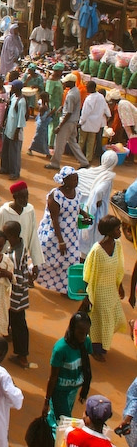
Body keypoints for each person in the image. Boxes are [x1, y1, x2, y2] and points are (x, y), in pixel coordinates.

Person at [83, 215, 126, 362]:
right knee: (101, 321)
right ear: (109, 231)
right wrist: (88, 295)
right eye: (117, 229)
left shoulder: (117, 245)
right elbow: (88, 274)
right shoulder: (97, 250)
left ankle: (100, 344)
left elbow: (119, 267)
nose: (120, 232)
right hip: (99, 292)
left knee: (116, 318)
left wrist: (120, 286)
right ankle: (97, 349)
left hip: (111, 290)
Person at [42, 312, 92, 434]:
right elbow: (53, 377)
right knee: (65, 424)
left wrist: (84, 388)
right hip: (60, 392)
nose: (83, 337)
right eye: (80, 333)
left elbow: (86, 365)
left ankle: (51, 422)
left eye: (86, 333)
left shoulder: (86, 342)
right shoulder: (60, 349)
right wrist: (46, 401)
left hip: (73, 390)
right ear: (72, 329)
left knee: (60, 417)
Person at [37, 167, 86, 294]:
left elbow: (76, 207)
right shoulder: (55, 196)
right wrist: (61, 241)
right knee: (49, 260)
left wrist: (84, 214)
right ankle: (33, 275)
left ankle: (65, 288)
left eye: (77, 179)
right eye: (73, 179)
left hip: (71, 235)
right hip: (55, 235)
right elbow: (54, 220)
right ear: (65, 181)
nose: (76, 182)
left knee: (71, 260)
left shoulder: (77, 192)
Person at [0, 181, 44, 275]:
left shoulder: (30, 211)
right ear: (14, 197)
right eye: (22, 197)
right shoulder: (3, 212)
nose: (25, 200)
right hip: (5, 258)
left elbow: (33, 237)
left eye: (27, 197)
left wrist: (35, 263)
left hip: (22, 258)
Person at [3, 221, 34, 369]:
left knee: (19, 325)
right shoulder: (20, 246)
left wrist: (8, 274)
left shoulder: (15, 255)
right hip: (20, 296)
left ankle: (22, 356)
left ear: (11, 236)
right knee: (16, 322)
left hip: (15, 296)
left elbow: (18, 279)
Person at [77, 149, 119, 258]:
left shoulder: (92, 171)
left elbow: (79, 176)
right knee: (93, 234)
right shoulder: (107, 177)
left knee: (83, 232)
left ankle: (82, 256)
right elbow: (98, 191)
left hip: (85, 207)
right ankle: (88, 259)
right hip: (95, 211)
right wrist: (96, 200)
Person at [46, 73, 90, 170]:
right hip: (73, 121)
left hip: (67, 122)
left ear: (71, 82)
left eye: (66, 82)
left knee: (59, 143)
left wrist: (60, 126)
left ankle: (55, 163)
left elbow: (69, 112)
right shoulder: (76, 91)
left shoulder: (71, 94)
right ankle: (84, 162)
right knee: (73, 142)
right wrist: (62, 107)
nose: (64, 84)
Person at [0, 80, 27, 181]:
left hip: (14, 132)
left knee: (14, 153)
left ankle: (15, 172)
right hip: (8, 129)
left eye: (13, 87)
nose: (11, 88)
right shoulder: (13, 97)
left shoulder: (21, 101)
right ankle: (4, 168)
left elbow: (21, 119)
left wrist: (16, 133)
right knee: (5, 151)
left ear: (17, 88)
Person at [78, 81, 111, 164]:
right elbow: (106, 110)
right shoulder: (101, 97)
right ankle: (88, 158)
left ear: (90, 88)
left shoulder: (89, 99)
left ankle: (79, 157)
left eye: (87, 87)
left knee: (82, 142)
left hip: (86, 123)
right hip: (95, 125)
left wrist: (80, 122)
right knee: (91, 143)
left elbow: (85, 113)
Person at [27, 91, 53, 158]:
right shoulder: (43, 107)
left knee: (44, 138)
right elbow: (42, 118)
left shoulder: (46, 105)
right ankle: (30, 148)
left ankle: (47, 152)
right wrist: (51, 113)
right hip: (41, 125)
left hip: (44, 125)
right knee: (38, 137)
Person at [45, 62, 65, 148]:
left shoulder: (57, 79)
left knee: (55, 124)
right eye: (61, 71)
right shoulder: (51, 80)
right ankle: (50, 143)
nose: (61, 73)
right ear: (57, 71)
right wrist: (50, 107)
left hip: (57, 105)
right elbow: (47, 94)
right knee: (52, 125)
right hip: (52, 106)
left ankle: (52, 142)